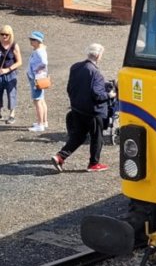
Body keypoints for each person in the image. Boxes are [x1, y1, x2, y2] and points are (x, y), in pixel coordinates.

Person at [51, 43, 115, 173]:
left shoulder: (75, 67)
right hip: (93, 112)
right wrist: (110, 95)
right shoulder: (96, 73)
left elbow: (69, 88)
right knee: (97, 137)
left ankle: (60, 157)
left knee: (79, 136)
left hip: (77, 108)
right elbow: (97, 95)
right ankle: (93, 163)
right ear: (98, 56)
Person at [26, 31, 48, 132]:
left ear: (38, 41)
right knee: (41, 99)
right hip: (41, 77)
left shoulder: (39, 51)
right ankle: (44, 121)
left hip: (37, 78)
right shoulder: (39, 50)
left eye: (33, 40)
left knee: (37, 100)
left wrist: (36, 70)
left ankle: (40, 124)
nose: (31, 41)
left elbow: (44, 62)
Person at [0, 24, 23, 124]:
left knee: (11, 94)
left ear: (10, 35)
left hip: (11, 73)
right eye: (2, 34)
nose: (4, 36)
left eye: (6, 35)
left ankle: (12, 114)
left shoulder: (14, 45)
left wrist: (8, 69)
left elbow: (19, 62)